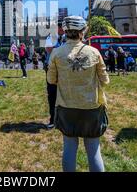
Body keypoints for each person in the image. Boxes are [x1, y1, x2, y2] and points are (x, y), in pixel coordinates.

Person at [47, 16, 109, 172]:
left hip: (67, 106)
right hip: (91, 107)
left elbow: (51, 80)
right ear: (82, 32)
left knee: (69, 147)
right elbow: (105, 80)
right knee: (94, 149)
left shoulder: (56, 53)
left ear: (65, 32)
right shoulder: (94, 52)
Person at [44, 22, 66, 129]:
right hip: (52, 68)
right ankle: (53, 119)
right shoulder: (52, 36)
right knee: (52, 94)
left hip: (62, 68)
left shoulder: (64, 37)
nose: (64, 29)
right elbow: (48, 49)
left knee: (63, 93)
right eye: (62, 27)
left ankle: (62, 119)